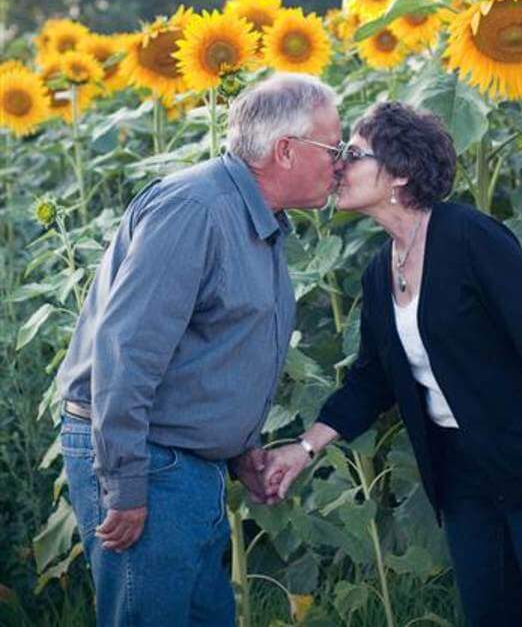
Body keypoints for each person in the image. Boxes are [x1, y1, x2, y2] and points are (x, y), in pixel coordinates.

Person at [264, 101, 522, 627]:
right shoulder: (380, 272)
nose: (338, 166)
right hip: (459, 474)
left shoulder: (472, 238)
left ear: (398, 172)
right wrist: (305, 448)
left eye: (352, 154)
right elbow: (372, 380)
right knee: (489, 615)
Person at [57, 73, 344, 626]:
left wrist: (242, 451)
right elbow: (127, 353)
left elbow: (215, 349)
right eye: (334, 147)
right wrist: (125, 483)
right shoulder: (196, 209)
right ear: (285, 150)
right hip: (148, 460)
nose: (341, 161)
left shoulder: (254, 218)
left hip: (186, 467)